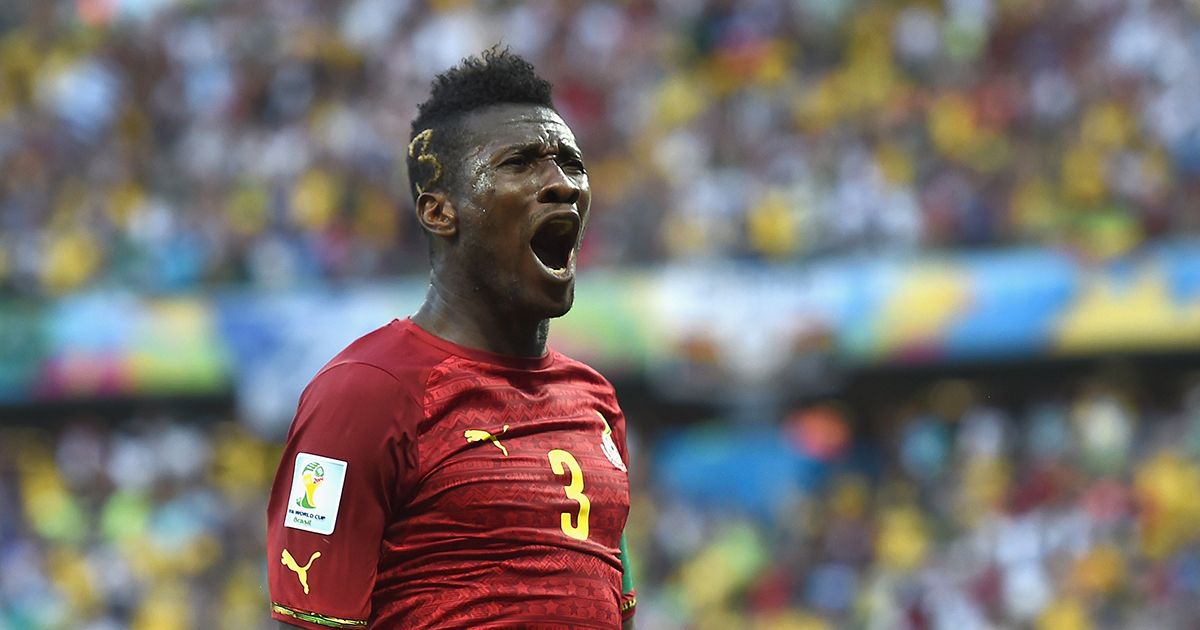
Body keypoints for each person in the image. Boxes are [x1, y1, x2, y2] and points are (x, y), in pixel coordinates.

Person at [266, 47, 636, 629]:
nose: (562, 184)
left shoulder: (595, 401)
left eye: (571, 162)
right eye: (521, 163)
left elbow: (615, 605)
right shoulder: (365, 393)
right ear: (441, 212)